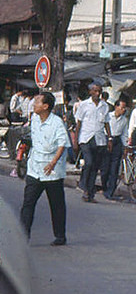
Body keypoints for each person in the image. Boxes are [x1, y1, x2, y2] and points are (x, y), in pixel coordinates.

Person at [20, 92, 71, 246]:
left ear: (45, 106)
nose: (34, 104)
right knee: (28, 203)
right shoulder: (34, 119)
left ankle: (60, 236)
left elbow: (62, 143)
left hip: (52, 172)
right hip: (35, 168)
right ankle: (23, 236)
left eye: (37, 102)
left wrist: (53, 163)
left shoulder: (56, 123)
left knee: (56, 205)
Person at [74, 82, 109, 203]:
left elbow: (106, 123)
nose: (97, 93)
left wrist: (109, 138)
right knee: (88, 163)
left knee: (95, 167)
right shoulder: (84, 105)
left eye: (99, 91)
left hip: (99, 139)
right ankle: (83, 185)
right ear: (90, 92)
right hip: (85, 138)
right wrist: (75, 140)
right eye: (95, 91)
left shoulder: (104, 106)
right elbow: (78, 123)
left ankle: (89, 193)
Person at [103, 97, 130, 201]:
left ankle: (110, 191)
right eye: (122, 108)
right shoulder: (108, 117)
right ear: (116, 107)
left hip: (117, 142)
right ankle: (105, 186)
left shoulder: (124, 120)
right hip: (107, 140)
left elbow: (124, 134)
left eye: (125, 108)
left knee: (114, 169)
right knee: (105, 168)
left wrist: (125, 146)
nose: (123, 110)